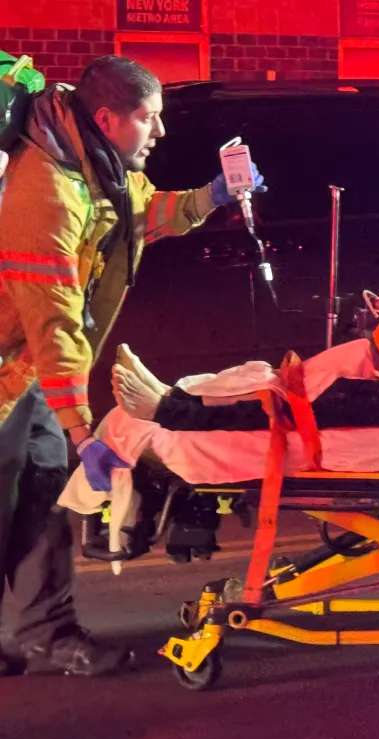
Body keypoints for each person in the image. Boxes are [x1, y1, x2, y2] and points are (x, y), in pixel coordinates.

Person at [0, 55, 264, 676]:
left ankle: (44, 632)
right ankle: (42, 631)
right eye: (150, 119)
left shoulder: (95, 165)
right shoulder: (47, 195)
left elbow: (139, 217)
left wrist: (212, 197)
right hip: (14, 365)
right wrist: (82, 429)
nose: (161, 132)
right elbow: (54, 321)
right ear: (107, 118)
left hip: (26, 369)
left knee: (40, 495)